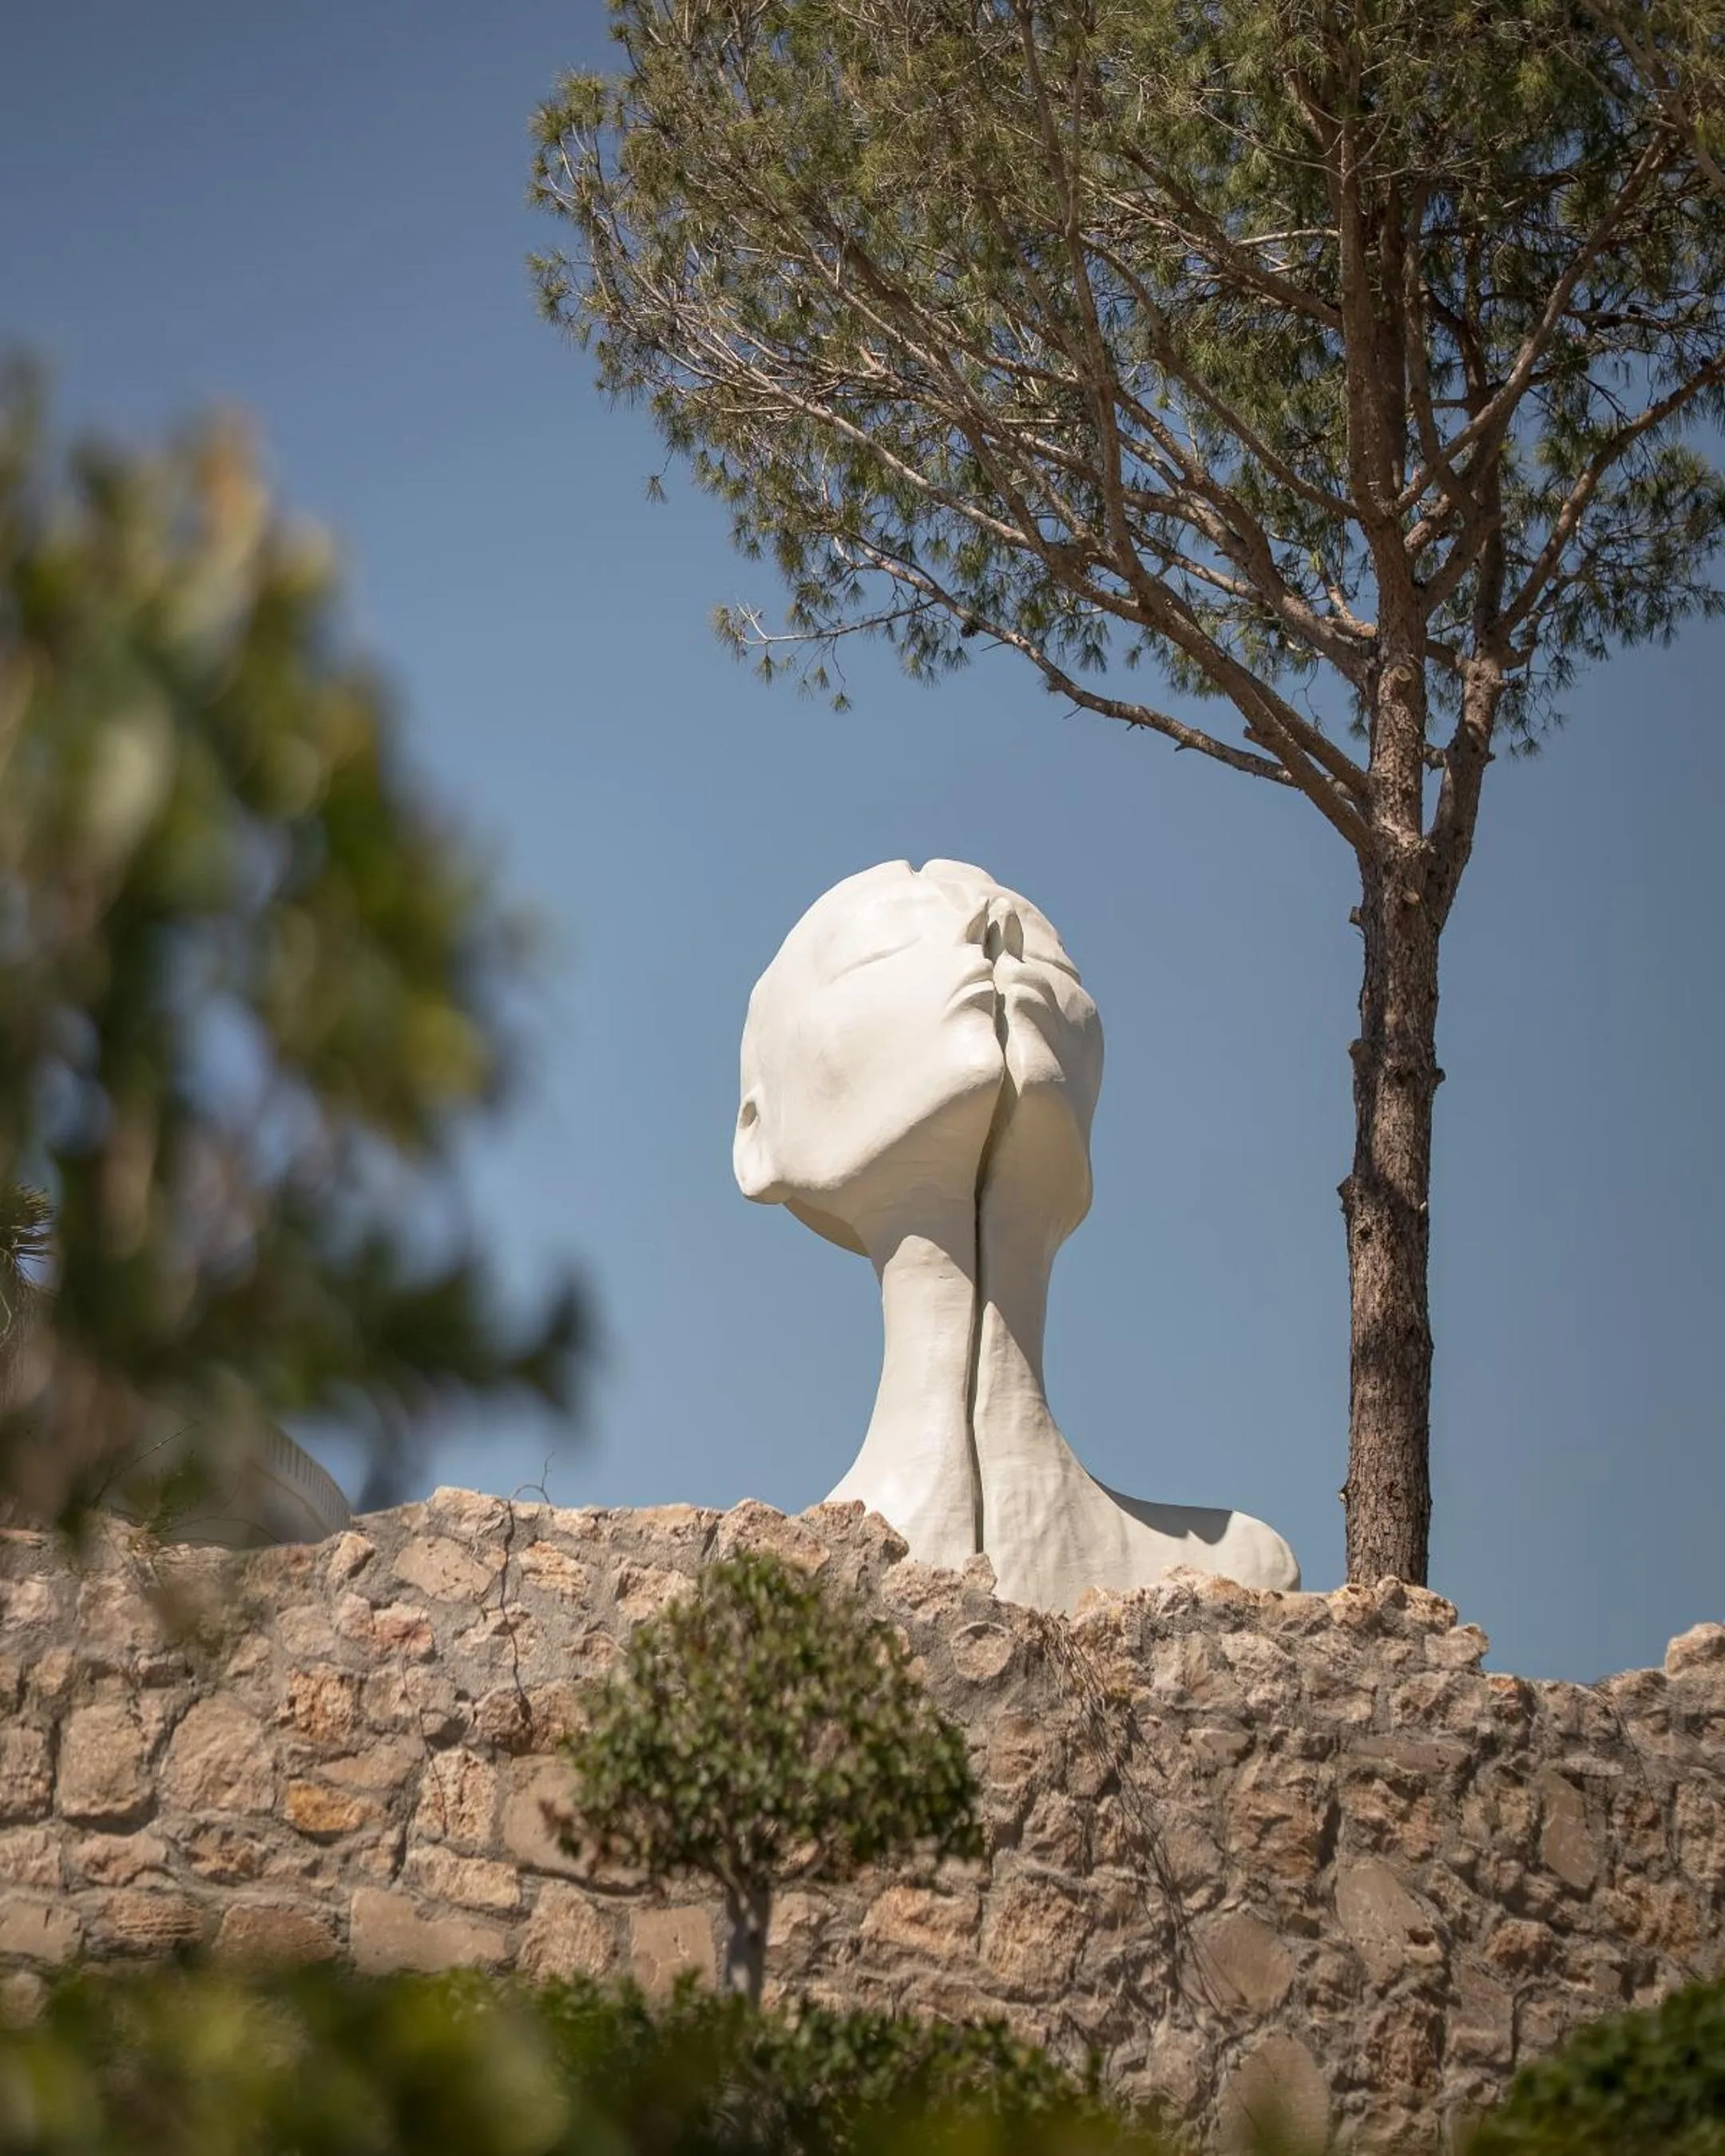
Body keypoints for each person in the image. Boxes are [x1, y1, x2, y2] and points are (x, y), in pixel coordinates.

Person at [735, 859, 1298, 1611]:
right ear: (757, 1134)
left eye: (1043, 952)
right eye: (883, 948)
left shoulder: (1243, 1574)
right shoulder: (740, 1612)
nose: (990, 937)